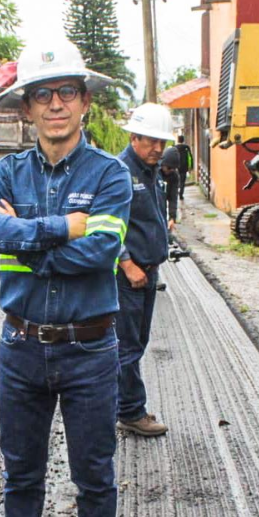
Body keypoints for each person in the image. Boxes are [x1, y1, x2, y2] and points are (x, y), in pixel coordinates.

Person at [0, 37, 133, 517]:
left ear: (85, 101)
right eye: (43, 95)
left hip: (91, 347)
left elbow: (102, 252)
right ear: (26, 109)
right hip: (20, 347)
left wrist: (30, 238)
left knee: (95, 471)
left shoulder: (110, 174)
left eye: (67, 91)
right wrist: (62, 229)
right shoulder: (7, 172)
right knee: (21, 469)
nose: (56, 105)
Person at [113, 103, 173, 437]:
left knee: (138, 342)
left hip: (148, 273)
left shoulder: (152, 171)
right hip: (129, 276)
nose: (158, 149)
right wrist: (127, 263)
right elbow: (108, 223)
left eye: (162, 142)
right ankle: (131, 412)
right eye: (151, 141)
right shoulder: (121, 172)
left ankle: (123, 405)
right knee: (127, 346)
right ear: (134, 137)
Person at [160, 146, 182, 231]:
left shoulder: (174, 176)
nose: (170, 170)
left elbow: (173, 198)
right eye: (168, 167)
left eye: (173, 169)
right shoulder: (155, 172)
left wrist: (172, 218)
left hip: (163, 208)